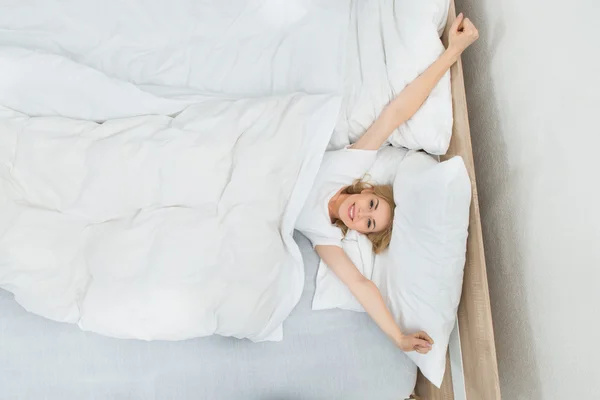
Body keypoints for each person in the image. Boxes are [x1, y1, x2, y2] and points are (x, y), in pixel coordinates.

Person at [295, 14, 479, 354]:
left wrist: (398, 337)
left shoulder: (326, 235)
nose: (361, 213)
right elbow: (397, 113)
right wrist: (452, 52)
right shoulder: (350, 166)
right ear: (368, 190)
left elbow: (361, 284)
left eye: (368, 224)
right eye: (372, 206)